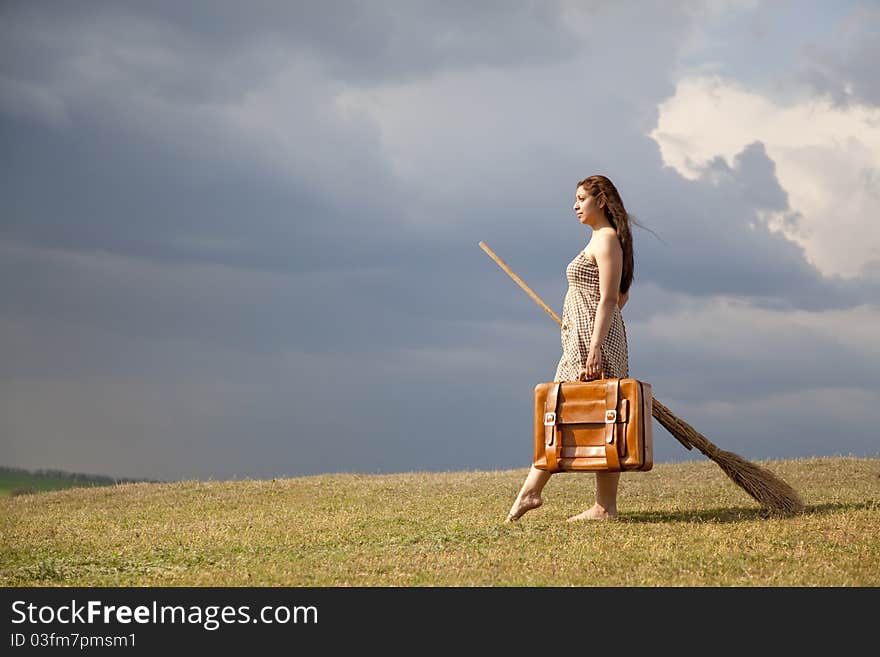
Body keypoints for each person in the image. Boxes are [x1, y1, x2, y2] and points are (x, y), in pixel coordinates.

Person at [506, 174, 636, 522]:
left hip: (595, 344)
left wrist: (594, 348)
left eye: (581, 198)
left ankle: (536, 493)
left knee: (577, 411)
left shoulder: (607, 240)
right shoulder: (598, 240)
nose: (574, 205)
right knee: (587, 413)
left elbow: (610, 299)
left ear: (602, 201)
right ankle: (602, 507)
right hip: (580, 338)